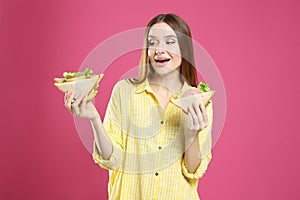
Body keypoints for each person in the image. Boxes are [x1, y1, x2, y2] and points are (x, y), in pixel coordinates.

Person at [64, 13, 213, 200]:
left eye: (169, 42)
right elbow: (112, 159)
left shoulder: (200, 100)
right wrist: (94, 118)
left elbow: (193, 171)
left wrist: (192, 135)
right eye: (153, 42)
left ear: (184, 49)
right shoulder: (124, 91)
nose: (159, 49)